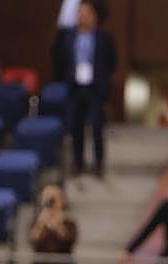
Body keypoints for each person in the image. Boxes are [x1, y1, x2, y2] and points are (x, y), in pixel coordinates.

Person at [57, 0, 116, 177]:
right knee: (76, 126)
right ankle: (78, 162)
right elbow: (62, 61)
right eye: (80, 13)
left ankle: (98, 163)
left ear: (94, 16)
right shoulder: (69, 38)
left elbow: (112, 62)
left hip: (95, 89)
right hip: (76, 88)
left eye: (86, 13)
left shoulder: (103, 38)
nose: (82, 17)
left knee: (96, 126)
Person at [29, 182, 79, 264]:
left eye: (54, 198)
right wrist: (42, 222)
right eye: (47, 198)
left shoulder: (69, 223)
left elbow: (69, 241)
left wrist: (58, 224)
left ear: (62, 200)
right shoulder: (36, 221)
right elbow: (34, 240)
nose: (50, 202)